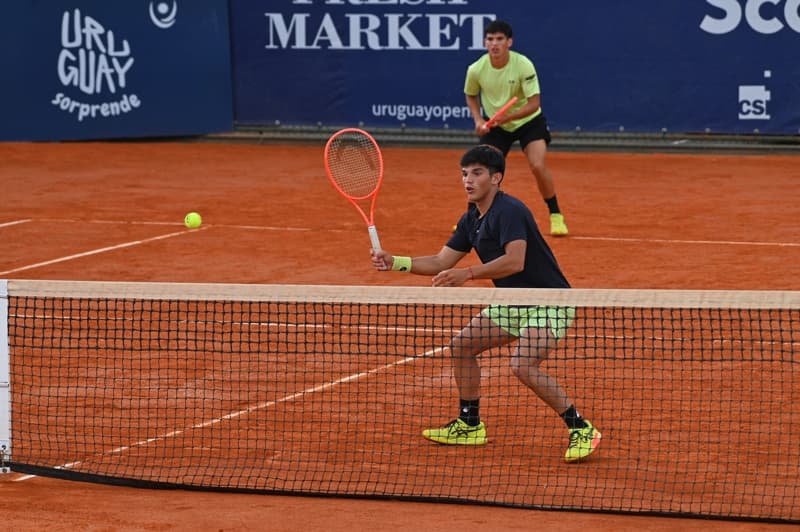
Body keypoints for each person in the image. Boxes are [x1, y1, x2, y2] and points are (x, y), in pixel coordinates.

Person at [370, 145, 600, 463]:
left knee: (522, 365)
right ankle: (469, 424)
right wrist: (396, 262)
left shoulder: (510, 211)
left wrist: (468, 273)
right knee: (462, 346)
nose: (468, 180)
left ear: (496, 178)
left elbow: (515, 261)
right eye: (465, 173)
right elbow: (440, 261)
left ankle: (581, 428)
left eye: (477, 173)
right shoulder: (471, 219)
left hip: (549, 301)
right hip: (512, 302)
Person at [464, 19, 569, 237]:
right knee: (481, 168)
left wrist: (507, 117)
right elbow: (471, 94)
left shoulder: (523, 65)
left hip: (528, 121)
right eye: (490, 39)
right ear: (485, 42)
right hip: (497, 125)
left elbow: (534, 103)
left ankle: (555, 214)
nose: (495, 44)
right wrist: (477, 119)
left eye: (500, 39)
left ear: (509, 42)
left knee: (537, 165)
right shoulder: (475, 69)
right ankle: (472, 219)